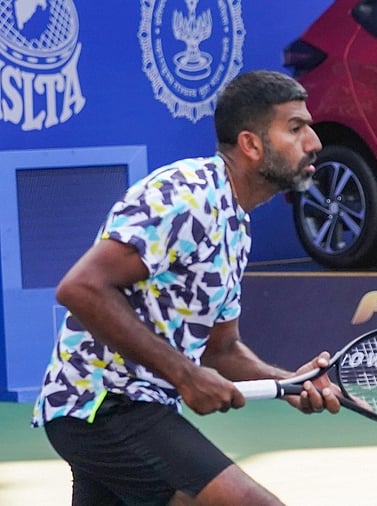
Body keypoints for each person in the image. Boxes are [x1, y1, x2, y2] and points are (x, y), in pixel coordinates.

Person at [31, 70, 340, 506]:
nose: (314, 141)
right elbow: (80, 288)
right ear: (251, 145)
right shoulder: (185, 195)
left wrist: (289, 381)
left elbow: (221, 349)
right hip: (104, 404)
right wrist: (186, 374)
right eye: (295, 127)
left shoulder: (236, 223)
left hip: (129, 410)